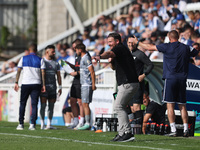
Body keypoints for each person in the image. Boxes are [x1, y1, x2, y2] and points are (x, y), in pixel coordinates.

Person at [132, 30, 199, 137]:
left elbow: (149, 47)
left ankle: (173, 130)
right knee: (183, 106)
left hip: (170, 78)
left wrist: (138, 42)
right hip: (182, 79)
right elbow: (196, 51)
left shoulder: (166, 46)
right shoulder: (185, 47)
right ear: (178, 37)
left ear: (169, 37)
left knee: (170, 105)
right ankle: (186, 129)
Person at [94, 33, 139, 142]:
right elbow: (114, 67)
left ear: (117, 41)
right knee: (120, 107)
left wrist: (100, 56)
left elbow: (109, 53)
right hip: (128, 83)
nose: (109, 44)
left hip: (128, 83)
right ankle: (122, 133)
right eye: (108, 41)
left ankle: (127, 133)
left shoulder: (119, 48)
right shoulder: (119, 50)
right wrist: (111, 61)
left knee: (118, 107)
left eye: (110, 41)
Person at [14, 43, 46, 130]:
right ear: (36, 50)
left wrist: (16, 82)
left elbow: (18, 71)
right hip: (36, 83)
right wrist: (43, 84)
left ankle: (21, 123)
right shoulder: (40, 59)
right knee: (34, 104)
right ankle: (32, 124)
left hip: (26, 83)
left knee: (23, 103)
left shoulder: (23, 58)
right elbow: (43, 73)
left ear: (29, 50)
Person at [127, 36, 154, 124]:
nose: (131, 44)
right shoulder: (127, 54)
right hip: (128, 83)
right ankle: (132, 126)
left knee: (136, 106)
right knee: (130, 107)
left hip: (137, 83)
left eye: (132, 42)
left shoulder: (140, 54)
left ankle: (139, 127)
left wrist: (143, 75)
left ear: (135, 43)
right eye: (129, 42)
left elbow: (150, 65)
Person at [40, 45, 62, 130]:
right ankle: (42, 123)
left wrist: (60, 87)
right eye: (52, 51)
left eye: (54, 51)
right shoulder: (42, 62)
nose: (54, 53)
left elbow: (59, 76)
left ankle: (49, 124)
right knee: (43, 106)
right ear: (47, 52)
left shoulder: (56, 63)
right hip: (43, 88)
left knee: (51, 106)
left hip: (53, 88)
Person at [65, 39, 85, 129]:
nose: (73, 49)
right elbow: (77, 68)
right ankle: (75, 120)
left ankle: (82, 121)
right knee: (72, 101)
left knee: (80, 102)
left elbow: (86, 70)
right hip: (75, 80)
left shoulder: (84, 56)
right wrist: (69, 65)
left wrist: (76, 73)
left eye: (74, 47)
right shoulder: (77, 56)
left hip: (82, 80)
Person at [75, 43, 96, 130]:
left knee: (85, 104)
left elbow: (92, 71)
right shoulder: (83, 58)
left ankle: (87, 123)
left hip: (87, 84)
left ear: (80, 50)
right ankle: (88, 122)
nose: (76, 52)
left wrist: (93, 84)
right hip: (84, 84)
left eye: (76, 50)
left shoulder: (86, 58)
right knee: (84, 104)